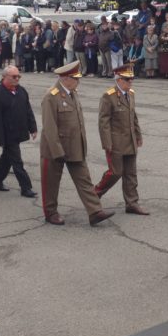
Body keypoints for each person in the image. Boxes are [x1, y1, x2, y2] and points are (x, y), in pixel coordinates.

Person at [39, 60, 114, 226]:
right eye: (76, 78)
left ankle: (95, 211)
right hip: (55, 148)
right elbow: (49, 127)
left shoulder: (73, 92)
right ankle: (50, 213)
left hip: (74, 145)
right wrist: (57, 151)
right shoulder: (51, 97)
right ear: (65, 78)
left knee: (84, 180)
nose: (78, 81)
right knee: (51, 182)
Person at [94, 64, 147, 214]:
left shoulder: (131, 93)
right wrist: (106, 143)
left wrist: (138, 135)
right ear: (118, 79)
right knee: (115, 173)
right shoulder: (108, 96)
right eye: (127, 79)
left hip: (130, 140)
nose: (130, 82)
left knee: (131, 173)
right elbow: (103, 122)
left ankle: (132, 203)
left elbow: (133, 116)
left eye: (131, 79)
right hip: (115, 142)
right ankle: (94, 194)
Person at [0, 65, 38, 197]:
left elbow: (28, 110)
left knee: (7, 158)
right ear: (4, 77)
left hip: (19, 131)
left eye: (18, 76)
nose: (17, 79)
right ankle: (25, 187)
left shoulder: (21, 91)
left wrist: (33, 127)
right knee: (17, 161)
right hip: (7, 134)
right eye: (14, 77)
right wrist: (0, 139)